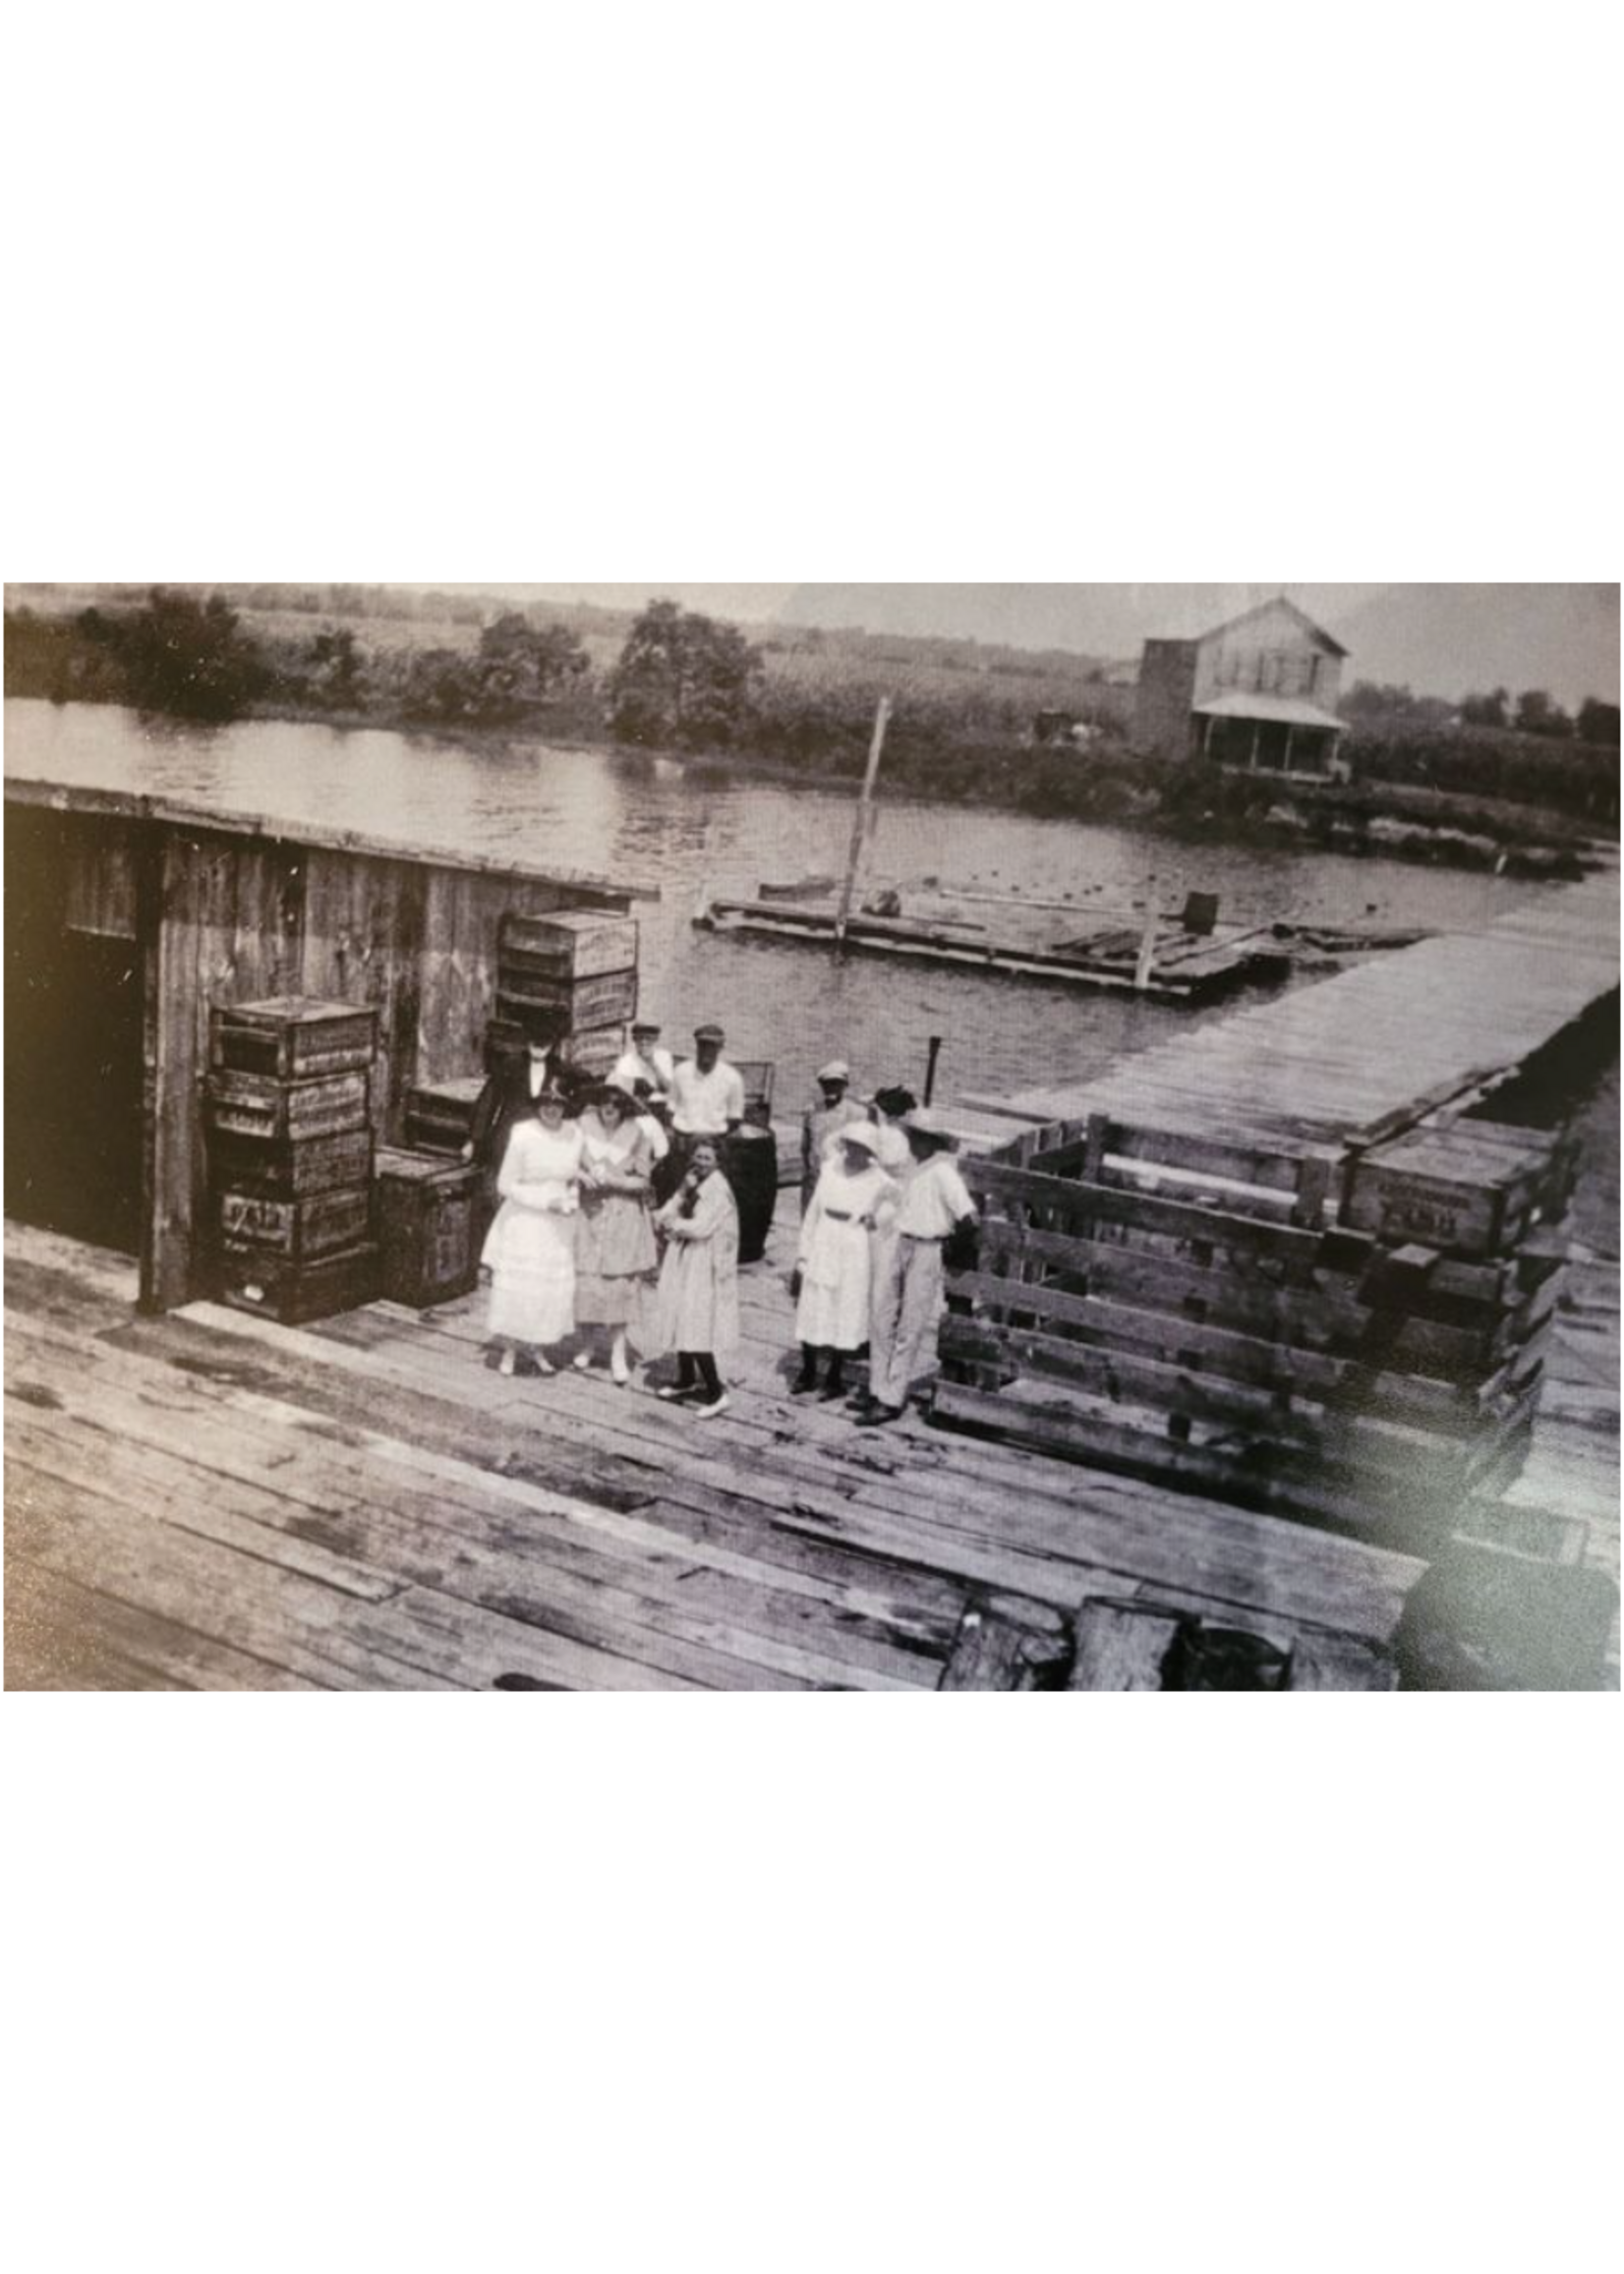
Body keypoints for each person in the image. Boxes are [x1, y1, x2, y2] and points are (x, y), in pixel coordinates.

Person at [857, 1107, 978, 1428]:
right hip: (901, 1242)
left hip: (928, 1247)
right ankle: (877, 1387)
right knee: (881, 1316)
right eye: (911, 1135)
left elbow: (969, 1217)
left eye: (918, 1137)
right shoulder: (913, 1168)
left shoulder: (943, 1172)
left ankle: (891, 1397)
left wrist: (951, 1245)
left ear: (930, 1141)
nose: (911, 1142)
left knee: (910, 1325)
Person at [482, 1083, 585, 1379]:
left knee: (548, 1288)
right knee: (522, 1285)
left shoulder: (574, 1134)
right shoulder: (523, 1132)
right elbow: (505, 1184)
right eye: (545, 1103)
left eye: (557, 1103)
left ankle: (537, 1348)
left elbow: (572, 1176)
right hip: (526, 1219)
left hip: (559, 1223)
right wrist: (543, 1202)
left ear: (566, 1107)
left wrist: (571, 1196)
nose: (551, 1109)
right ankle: (511, 1349)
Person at [792, 1126, 896, 1402]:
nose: (855, 1152)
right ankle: (808, 1369)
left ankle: (835, 1376)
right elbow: (813, 1212)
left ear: (871, 1152)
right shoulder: (830, 1169)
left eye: (862, 1148)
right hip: (825, 1237)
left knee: (846, 1307)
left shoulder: (879, 1179)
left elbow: (896, 1204)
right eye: (851, 1145)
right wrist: (803, 1252)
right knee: (813, 1302)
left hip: (853, 1245)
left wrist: (876, 1219)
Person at [572, 1086, 659, 1386]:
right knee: (586, 1282)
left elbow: (644, 1182)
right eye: (603, 1103)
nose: (609, 1108)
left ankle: (618, 1354)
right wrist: (581, 1175)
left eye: (615, 1104)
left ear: (624, 1108)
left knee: (618, 1286)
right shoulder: (582, 1127)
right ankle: (588, 1344)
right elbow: (566, 1159)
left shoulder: (637, 1134)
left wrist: (615, 1180)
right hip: (589, 1213)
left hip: (623, 1217)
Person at [651, 1139, 739, 1420]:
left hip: (704, 1263)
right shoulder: (693, 1184)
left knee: (696, 1322)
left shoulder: (718, 1191)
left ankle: (716, 1392)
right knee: (679, 1313)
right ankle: (686, 1377)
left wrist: (671, 1224)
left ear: (718, 1163)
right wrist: (681, 1191)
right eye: (698, 1156)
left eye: (707, 1158)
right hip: (685, 1258)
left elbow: (700, 1228)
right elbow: (666, 1211)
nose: (701, 1162)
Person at [660, 1023, 748, 1203]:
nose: (706, 1051)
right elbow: (671, 1106)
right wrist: (669, 1131)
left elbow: (735, 1118)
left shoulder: (732, 1078)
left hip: (714, 1140)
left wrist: (712, 1143)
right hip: (682, 1140)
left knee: (710, 1194)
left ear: (720, 1048)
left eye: (712, 1046)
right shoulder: (681, 1071)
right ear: (696, 1046)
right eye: (702, 1045)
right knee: (678, 1189)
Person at [467, 1034, 564, 1185]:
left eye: (545, 1043)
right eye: (535, 1040)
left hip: (542, 1137)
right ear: (527, 1041)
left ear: (552, 1045)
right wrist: (474, 1140)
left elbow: (582, 1092)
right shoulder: (511, 1064)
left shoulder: (559, 1069)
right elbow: (488, 1101)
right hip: (508, 1135)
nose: (539, 1047)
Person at [801, 1061, 867, 1213]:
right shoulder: (812, 1111)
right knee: (809, 1224)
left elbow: (862, 1150)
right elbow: (805, 1147)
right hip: (815, 1177)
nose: (830, 1087)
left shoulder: (857, 1113)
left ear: (845, 1085)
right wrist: (809, 1172)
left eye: (836, 1083)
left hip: (842, 1178)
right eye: (826, 1083)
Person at [610, 1022, 676, 1114]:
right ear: (634, 1040)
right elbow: (619, 1090)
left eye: (648, 1038)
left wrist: (652, 1063)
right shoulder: (626, 1061)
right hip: (635, 1106)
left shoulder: (664, 1056)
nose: (643, 1042)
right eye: (640, 1038)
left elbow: (667, 1089)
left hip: (661, 1105)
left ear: (655, 1039)